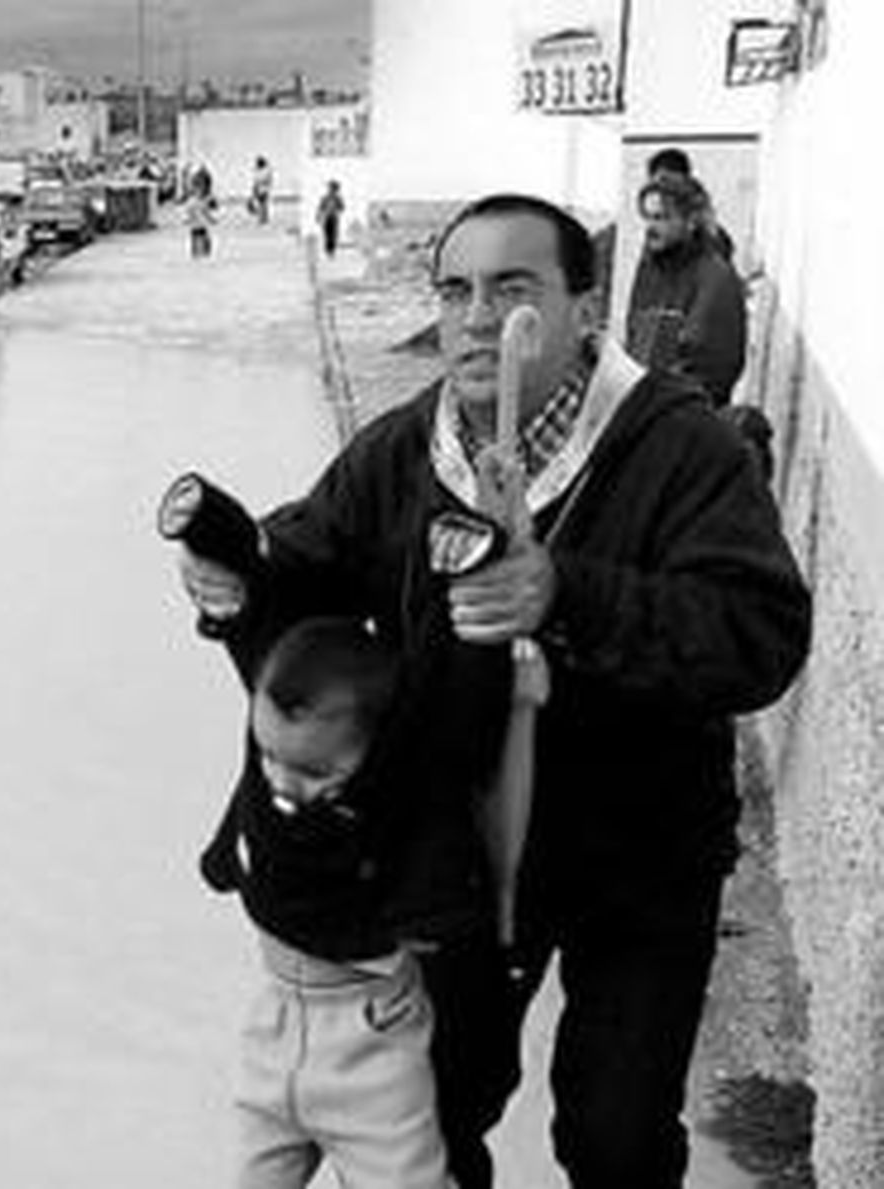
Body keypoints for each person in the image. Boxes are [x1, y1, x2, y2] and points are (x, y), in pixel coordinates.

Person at [176, 191, 811, 1188]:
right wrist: (237, 577)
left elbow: (760, 636)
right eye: (456, 289)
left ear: (579, 306)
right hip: (455, 859)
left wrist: (566, 593)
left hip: (640, 858)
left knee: (615, 1134)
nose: (476, 316)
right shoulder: (403, 448)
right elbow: (308, 560)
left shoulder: (680, 447)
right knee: (437, 1112)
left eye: (510, 287)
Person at [197, 615, 499, 1189]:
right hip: (273, 1027)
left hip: (373, 1042)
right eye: (268, 755)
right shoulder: (267, 794)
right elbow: (252, 625)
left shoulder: (394, 811)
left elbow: (450, 728)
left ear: (376, 753)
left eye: (314, 771)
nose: (283, 783)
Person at [625, 173, 747, 406]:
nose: (650, 227)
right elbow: (635, 342)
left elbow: (711, 371)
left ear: (690, 221)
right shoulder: (650, 270)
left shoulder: (715, 277)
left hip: (686, 420)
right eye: (647, 217)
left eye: (661, 218)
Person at [645, 147, 734, 260]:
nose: (660, 191)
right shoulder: (657, 216)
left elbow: (721, 250)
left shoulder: (696, 207)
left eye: (665, 181)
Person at [185, 171, 217, 259]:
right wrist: (211, 220)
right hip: (198, 225)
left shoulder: (195, 201)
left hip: (198, 225)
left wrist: (211, 219)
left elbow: (204, 212)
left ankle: (201, 254)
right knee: (199, 240)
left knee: (201, 240)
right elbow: (203, 212)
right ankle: (200, 254)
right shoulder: (196, 201)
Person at [316, 179, 346, 258]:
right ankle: (328, 250)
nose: (331, 190)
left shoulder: (338, 198)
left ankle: (331, 251)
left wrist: (336, 207)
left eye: (333, 188)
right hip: (327, 217)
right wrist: (318, 216)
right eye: (330, 188)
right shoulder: (325, 198)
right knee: (327, 233)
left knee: (333, 234)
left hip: (334, 218)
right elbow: (320, 208)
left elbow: (342, 208)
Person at [250, 156, 273, 225]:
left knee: (263, 204)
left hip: (263, 189)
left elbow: (267, 181)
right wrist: (254, 189)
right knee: (261, 204)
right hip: (260, 189)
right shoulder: (259, 171)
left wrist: (257, 187)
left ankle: (264, 218)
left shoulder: (266, 171)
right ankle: (263, 218)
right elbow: (255, 181)